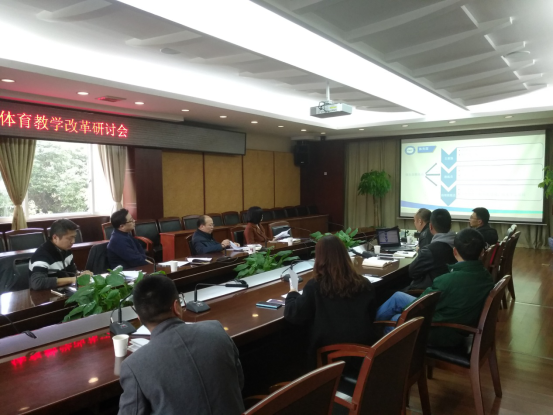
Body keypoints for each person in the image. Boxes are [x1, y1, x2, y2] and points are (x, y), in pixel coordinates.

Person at [118, 274, 244, 415]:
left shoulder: (134, 366)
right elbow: (239, 383)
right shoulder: (216, 330)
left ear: (140, 318)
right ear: (176, 307)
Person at [376, 228, 494, 347]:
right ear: (482, 252)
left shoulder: (447, 281)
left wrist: (404, 313)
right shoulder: (487, 277)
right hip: (455, 321)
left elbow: (418, 308)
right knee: (398, 297)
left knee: (393, 319)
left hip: (441, 332)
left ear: (455, 251)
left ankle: (377, 338)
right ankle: (375, 328)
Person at [284, 235, 377, 354]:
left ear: (319, 258)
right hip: (365, 349)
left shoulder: (315, 286)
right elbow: (371, 314)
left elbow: (293, 314)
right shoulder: (364, 282)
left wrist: (292, 291)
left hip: (330, 353)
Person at [29, 219, 93, 290]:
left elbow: (72, 272)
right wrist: (73, 279)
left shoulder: (66, 250)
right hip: (44, 294)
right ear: (55, 238)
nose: (73, 241)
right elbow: (37, 282)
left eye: (74, 237)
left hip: (62, 291)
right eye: (69, 238)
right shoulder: (41, 255)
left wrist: (81, 274)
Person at [407, 208, 457, 291]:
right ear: (450, 225)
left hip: (430, 291)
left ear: (430, 226)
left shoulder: (430, 250)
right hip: (449, 288)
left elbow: (412, 272)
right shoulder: (458, 243)